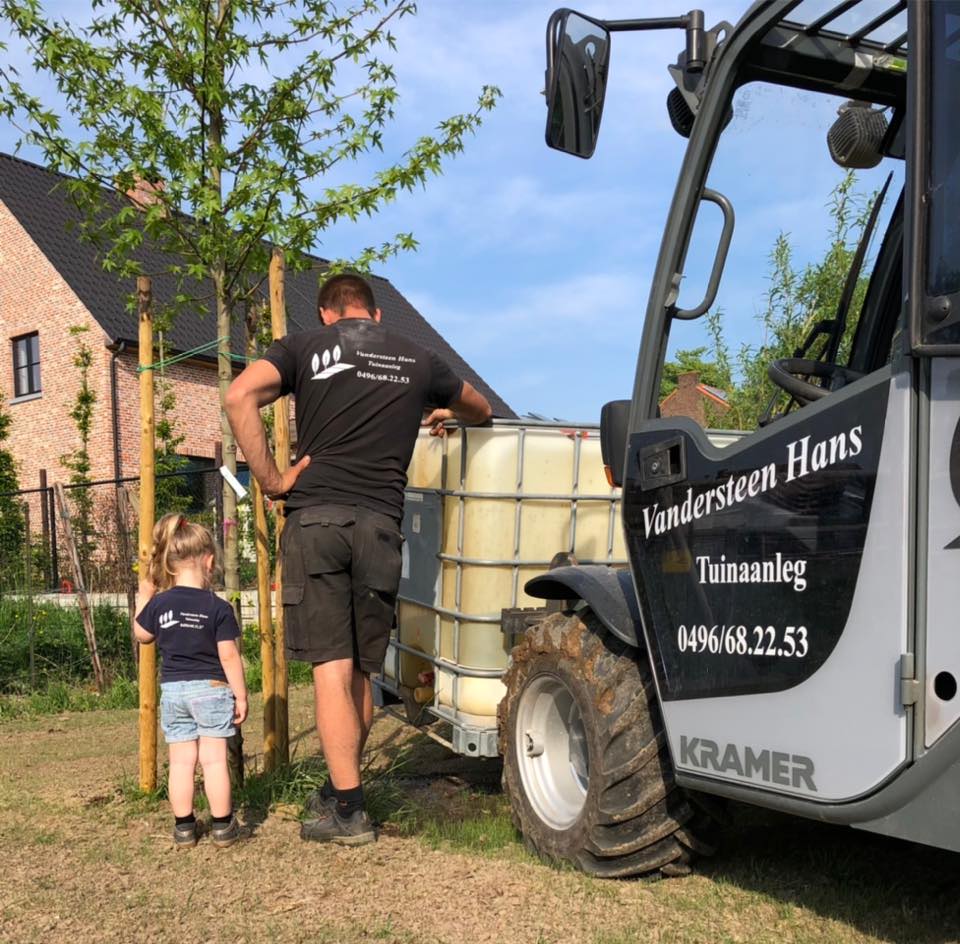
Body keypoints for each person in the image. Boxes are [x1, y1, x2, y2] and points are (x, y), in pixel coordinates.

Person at [226, 272, 491, 845]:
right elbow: (483, 409)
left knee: (331, 665)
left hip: (317, 521)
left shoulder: (303, 346)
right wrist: (445, 412)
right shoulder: (419, 359)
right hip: (380, 529)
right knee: (364, 671)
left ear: (327, 315)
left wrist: (271, 479)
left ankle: (348, 811)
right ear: (373, 314)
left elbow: (237, 395)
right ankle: (341, 791)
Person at [134, 513, 248, 848]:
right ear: (209, 561)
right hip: (211, 691)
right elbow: (229, 656)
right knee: (213, 760)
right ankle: (223, 826)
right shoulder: (219, 607)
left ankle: (183, 826)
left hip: (173, 692)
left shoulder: (160, 604)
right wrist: (239, 696)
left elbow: (142, 635)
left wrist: (144, 597)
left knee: (181, 761)